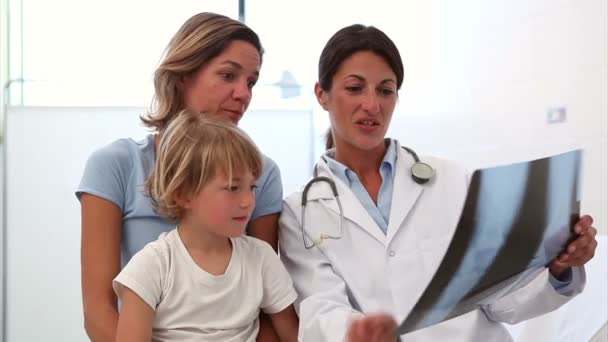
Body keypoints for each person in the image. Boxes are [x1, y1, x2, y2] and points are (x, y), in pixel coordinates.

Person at [278, 24, 599, 342]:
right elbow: (320, 312)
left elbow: (500, 300)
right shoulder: (301, 212)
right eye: (354, 88)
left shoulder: (451, 180)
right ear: (322, 95)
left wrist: (558, 267)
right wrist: (356, 332)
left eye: (385, 90)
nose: (372, 105)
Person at [76, 12, 284, 341]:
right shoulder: (114, 165)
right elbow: (98, 310)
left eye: (251, 82)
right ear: (183, 74)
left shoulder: (263, 174)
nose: (244, 93)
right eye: (228, 75)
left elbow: (268, 306)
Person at [113, 111, 299, 342]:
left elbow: (294, 335)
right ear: (184, 195)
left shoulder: (261, 258)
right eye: (233, 188)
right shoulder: (153, 265)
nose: (248, 201)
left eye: (252, 187)